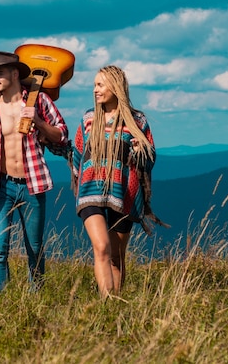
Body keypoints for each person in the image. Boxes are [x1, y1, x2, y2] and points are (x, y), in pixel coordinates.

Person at [0, 51, 68, 297]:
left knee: (34, 247)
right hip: (0, 184)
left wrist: (38, 121)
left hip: (32, 184)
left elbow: (62, 135)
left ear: (15, 73)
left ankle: (37, 298)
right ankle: (0, 303)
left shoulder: (39, 101)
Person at [71, 65, 167, 298]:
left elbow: (150, 157)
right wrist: (79, 178)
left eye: (100, 85)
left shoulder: (137, 121)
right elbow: (78, 152)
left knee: (116, 256)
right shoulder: (88, 118)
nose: (95, 90)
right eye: (94, 85)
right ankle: (106, 305)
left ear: (115, 87)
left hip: (123, 193)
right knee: (101, 247)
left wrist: (139, 150)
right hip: (90, 189)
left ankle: (114, 305)